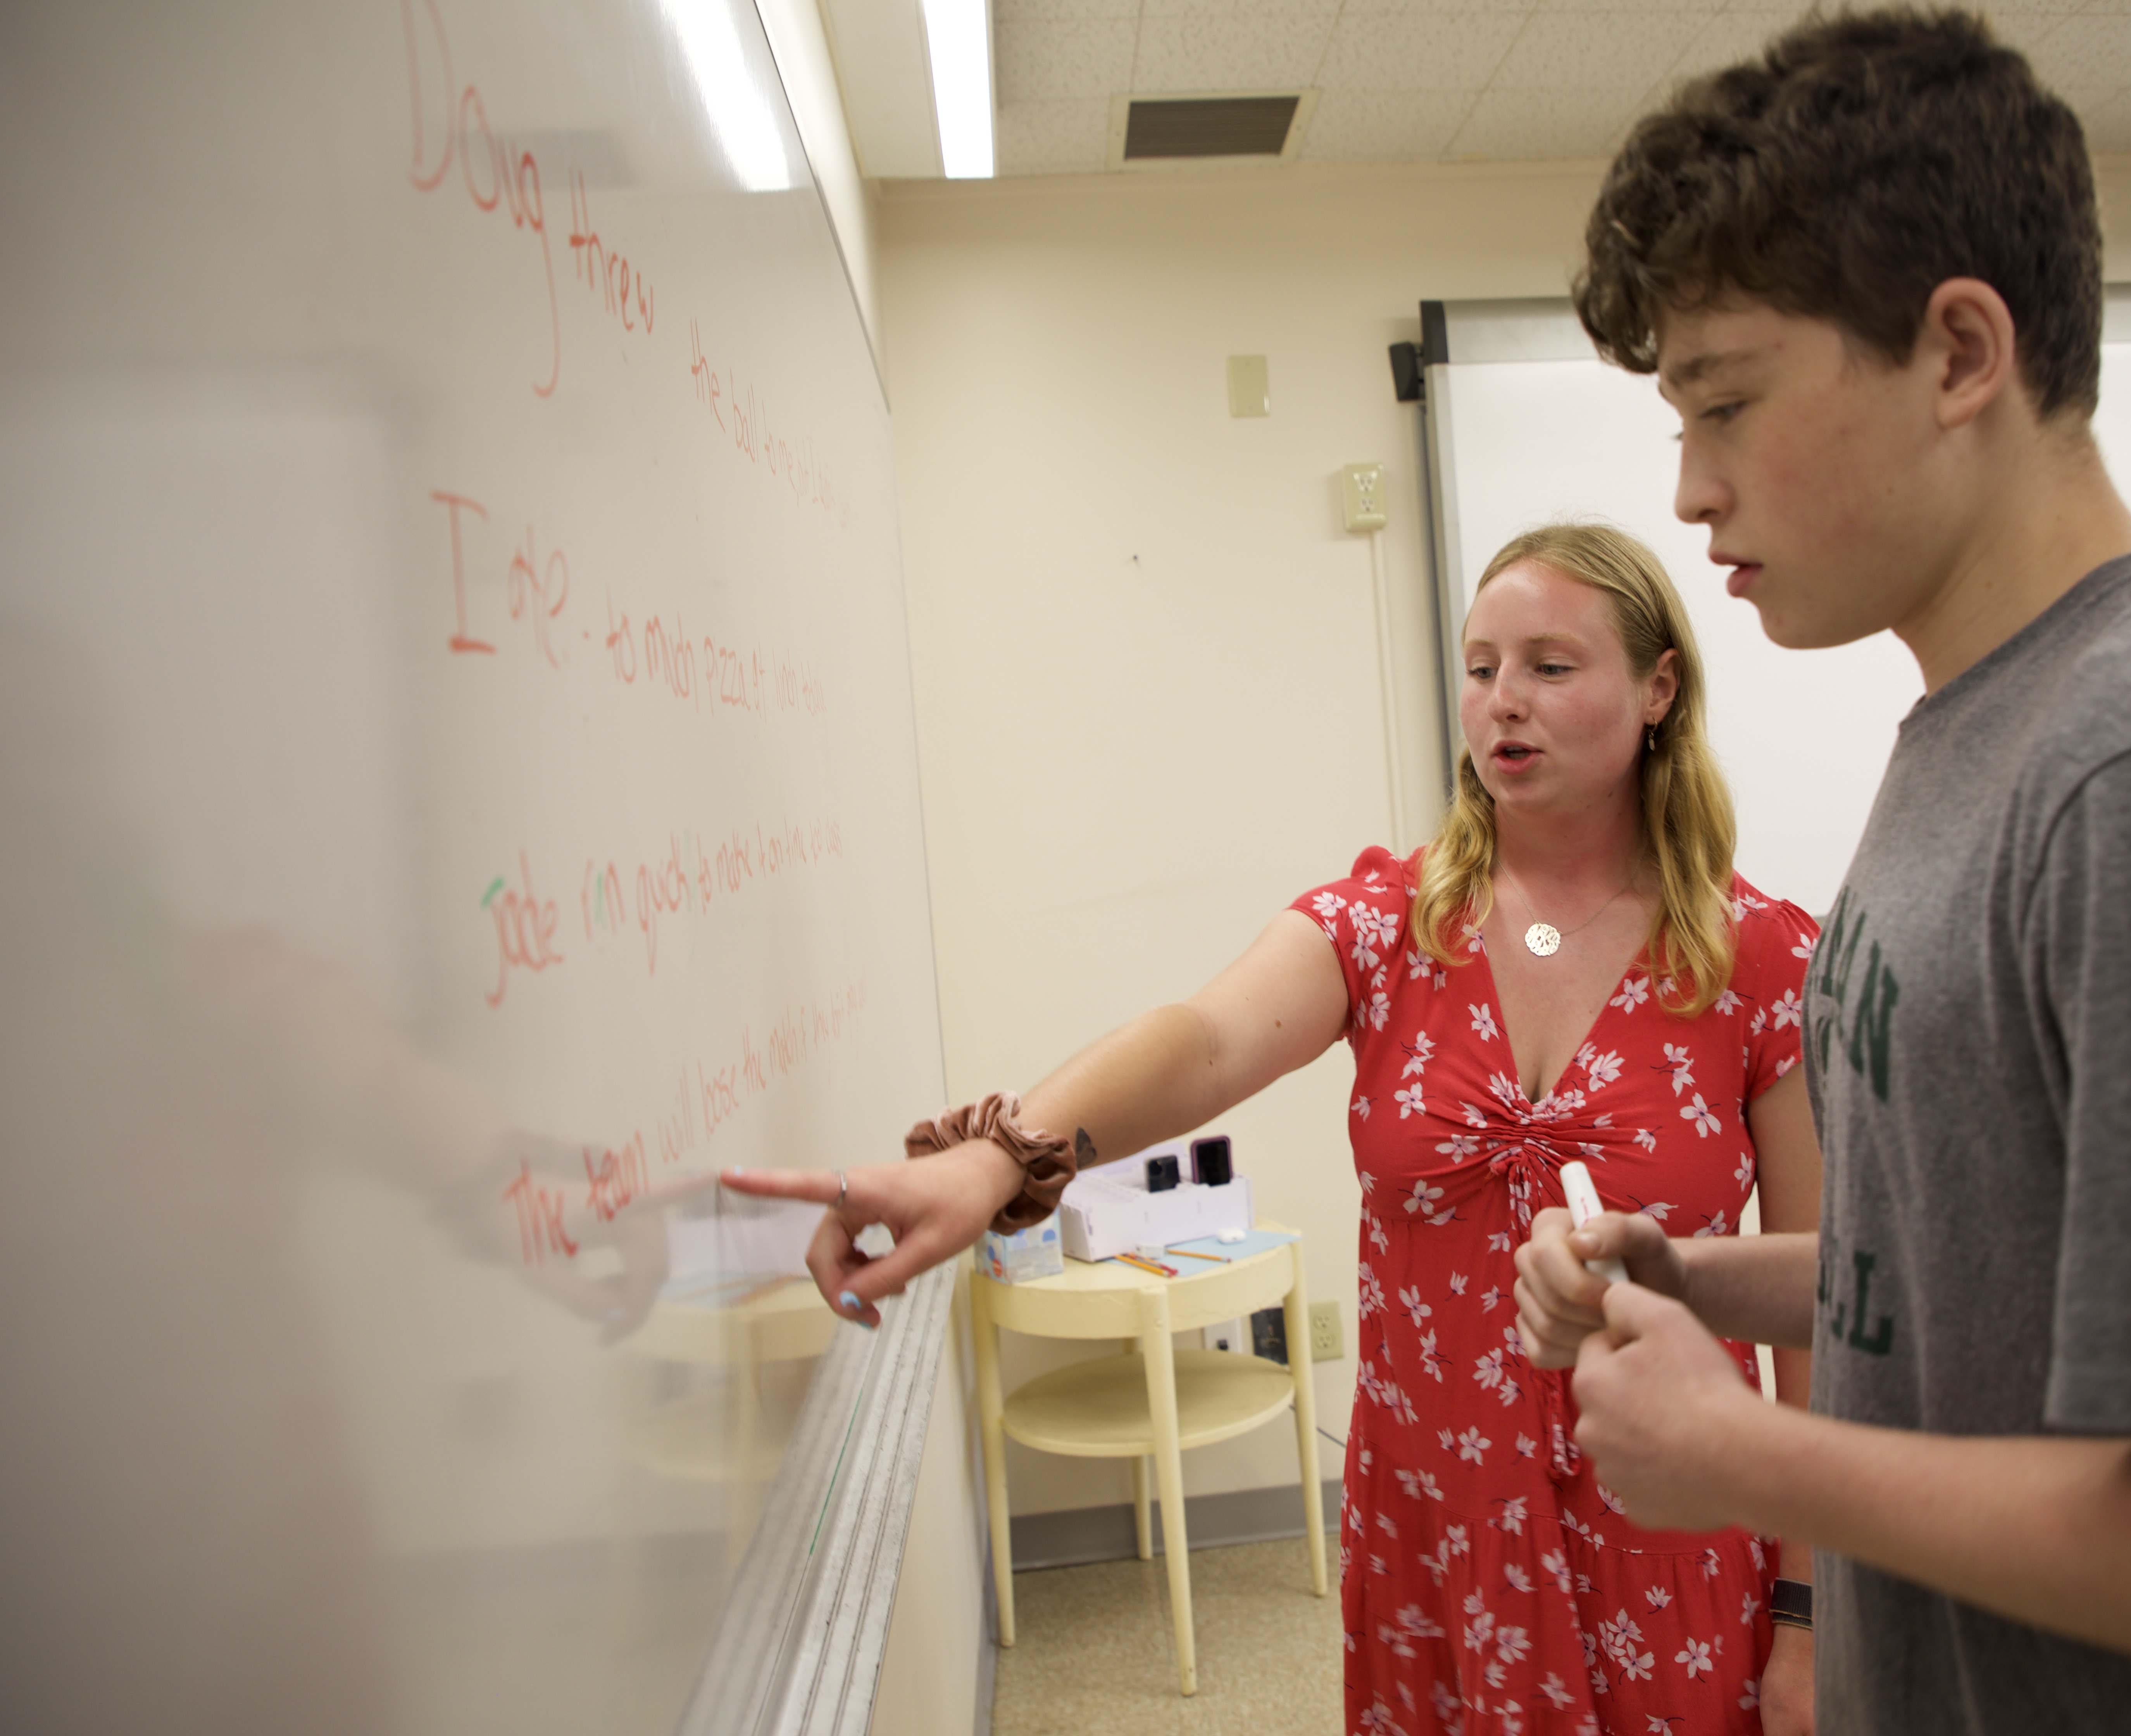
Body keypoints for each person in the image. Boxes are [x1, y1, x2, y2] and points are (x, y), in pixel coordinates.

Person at [1510, 12, 2131, 1736]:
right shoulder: (1978, 726)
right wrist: (1700, 1276)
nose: (1689, 486)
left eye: (1727, 401)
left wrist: (1757, 1458)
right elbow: (1991, 1265)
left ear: (1962, 351)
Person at [724, 522, 1826, 1734]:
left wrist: (1810, 1619)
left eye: (1551, 668)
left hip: (1667, 1532)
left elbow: (1816, 1320)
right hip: (1438, 1543)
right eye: (1480, 666)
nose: (1503, 702)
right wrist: (998, 1159)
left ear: (1659, 686)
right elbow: (1202, 1040)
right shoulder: (1386, 927)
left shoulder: (1760, 961)